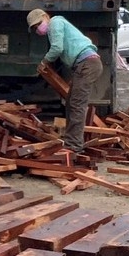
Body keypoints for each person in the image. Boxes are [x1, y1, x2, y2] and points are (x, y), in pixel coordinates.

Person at [26, 8, 103, 153]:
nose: (38, 28)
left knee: (76, 104)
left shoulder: (55, 22)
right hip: (85, 65)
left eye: (38, 24)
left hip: (88, 65)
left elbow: (57, 48)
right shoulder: (55, 26)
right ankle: (71, 140)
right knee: (70, 102)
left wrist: (44, 62)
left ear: (45, 16)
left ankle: (74, 145)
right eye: (35, 27)